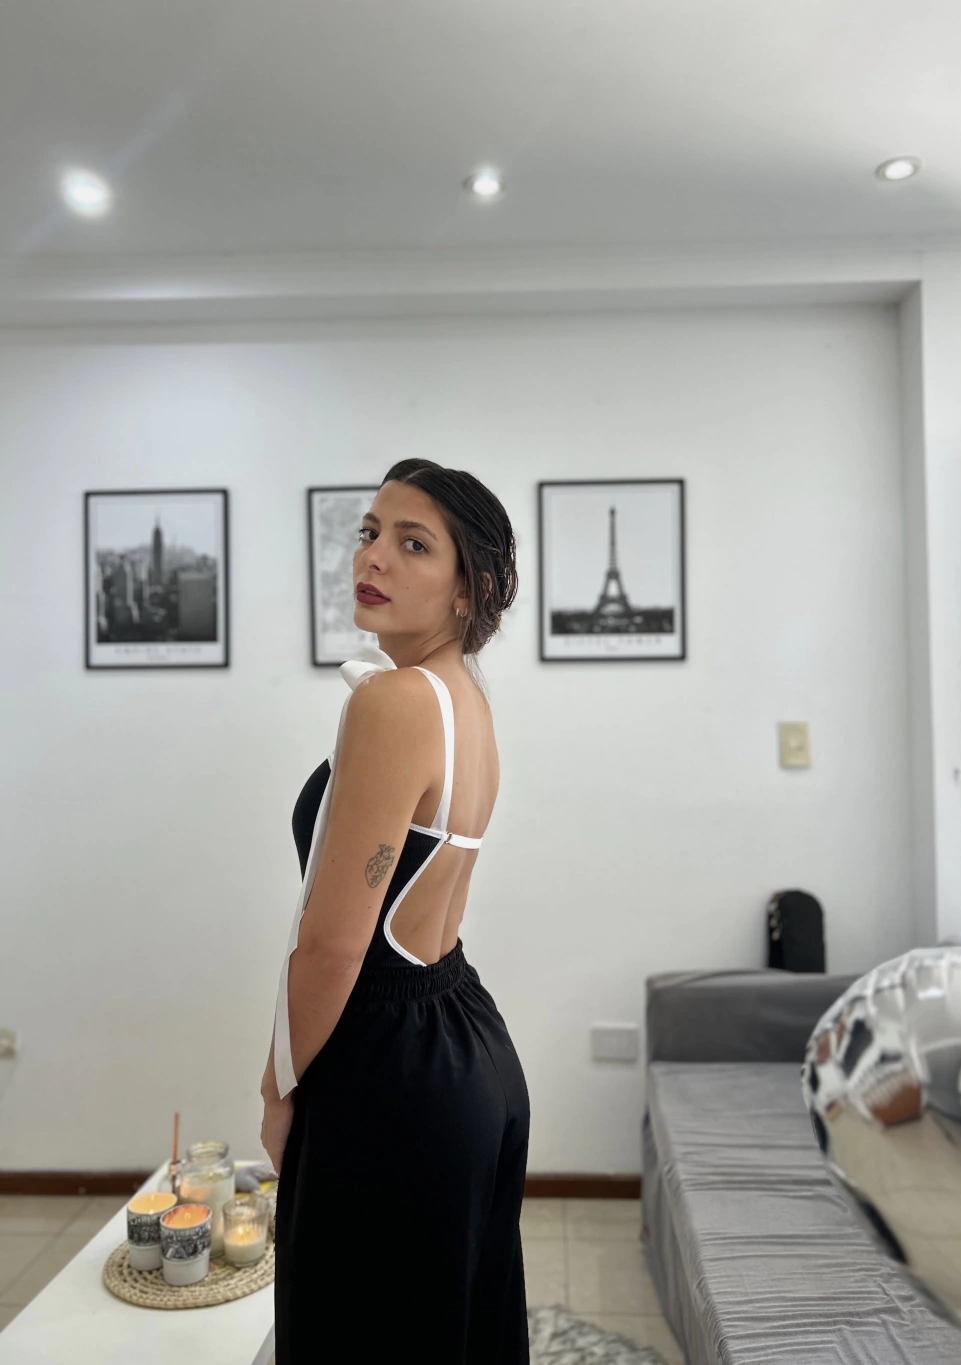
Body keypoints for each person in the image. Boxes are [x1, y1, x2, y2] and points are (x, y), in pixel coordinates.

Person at [261, 458, 530, 1363]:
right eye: (370, 532)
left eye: (414, 543)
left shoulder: (395, 701)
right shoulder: (466, 701)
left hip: (389, 1071)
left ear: (469, 588)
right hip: (467, 1043)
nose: (373, 556)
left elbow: (334, 946)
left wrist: (278, 1087)